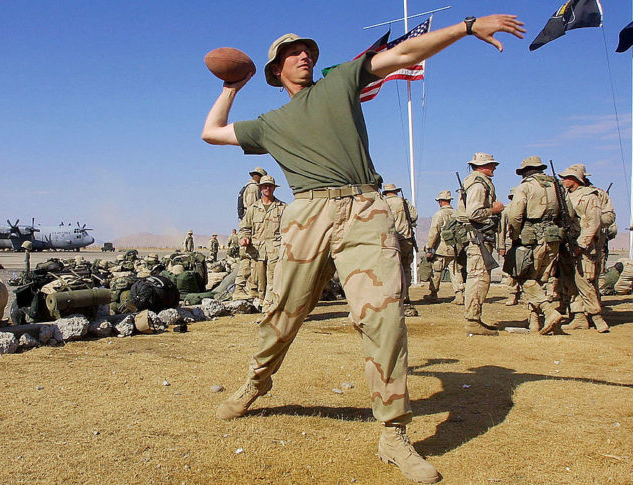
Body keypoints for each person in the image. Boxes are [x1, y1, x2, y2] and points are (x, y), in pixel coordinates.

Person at [201, 15, 524, 484]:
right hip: (306, 215)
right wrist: (234, 84)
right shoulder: (269, 124)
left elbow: (405, 54)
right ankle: (255, 383)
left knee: (383, 316)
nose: (304, 55)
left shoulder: (339, 83)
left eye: (307, 49)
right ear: (274, 71)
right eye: (292, 53)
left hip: (364, 210)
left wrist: (466, 27)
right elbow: (212, 131)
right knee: (281, 314)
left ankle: (393, 434)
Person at [505, 156, 565, 333]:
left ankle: (548, 311)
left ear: (526, 171)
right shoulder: (557, 186)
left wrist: (514, 236)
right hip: (553, 238)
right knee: (540, 280)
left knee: (526, 278)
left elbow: (516, 215)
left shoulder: (525, 187)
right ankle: (534, 322)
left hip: (532, 239)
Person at [456, 152, 505, 336]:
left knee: (479, 277)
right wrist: (495, 209)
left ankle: (474, 318)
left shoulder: (480, 182)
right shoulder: (478, 184)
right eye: (491, 164)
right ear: (481, 166)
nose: (494, 167)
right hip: (478, 237)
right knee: (478, 278)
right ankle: (473, 320)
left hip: (481, 236)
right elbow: (474, 213)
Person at [556, 165, 610, 333]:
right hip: (566, 244)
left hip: (583, 246)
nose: (563, 180)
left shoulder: (589, 197)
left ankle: (597, 317)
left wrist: (581, 244)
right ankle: (578, 316)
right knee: (569, 282)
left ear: (576, 179)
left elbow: (593, 223)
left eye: (567, 177)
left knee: (585, 282)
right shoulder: (564, 195)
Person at [239, 175, 287, 307]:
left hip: (275, 250)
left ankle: (269, 306)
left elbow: (288, 229)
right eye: (265, 186)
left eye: (270, 186)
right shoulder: (252, 209)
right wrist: (244, 238)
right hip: (257, 251)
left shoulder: (282, 207)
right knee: (259, 280)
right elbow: (245, 227)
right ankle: (261, 302)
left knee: (274, 279)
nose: (267, 188)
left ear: (274, 188)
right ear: (260, 188)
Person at [382, 184, 419, 316]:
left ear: (386, 192)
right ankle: (405, 295)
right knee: (406, 267)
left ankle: (394, 296)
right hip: (406, 238)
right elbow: (414, 216)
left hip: (390, 239)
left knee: (391, 268)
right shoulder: (404, 202)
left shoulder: (383, 202)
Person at [424, 190, 464, 304]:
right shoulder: (457, 213)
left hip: (441, 248)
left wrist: (429, 247)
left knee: (436, 271)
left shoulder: (439, 214)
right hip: (454, 248)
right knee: (456, 271)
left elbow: (434, 232)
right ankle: (459, 295)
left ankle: (433, 293)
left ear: (440, 202)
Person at [233, 168, 268, 299]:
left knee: (254, 258)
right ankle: (239, 289)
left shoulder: (248, 186)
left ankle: (252, 289)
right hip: (251, 226)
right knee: (248, 257)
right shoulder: (253, 188)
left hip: (249, 225)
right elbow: (254, 209)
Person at [497, 189, 521, 306]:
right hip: (511, 242)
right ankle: (513, 294)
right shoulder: (506, 210)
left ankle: (517, 295)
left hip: (518, 242)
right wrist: (501, 246)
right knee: (513, 270)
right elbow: (501, 229)